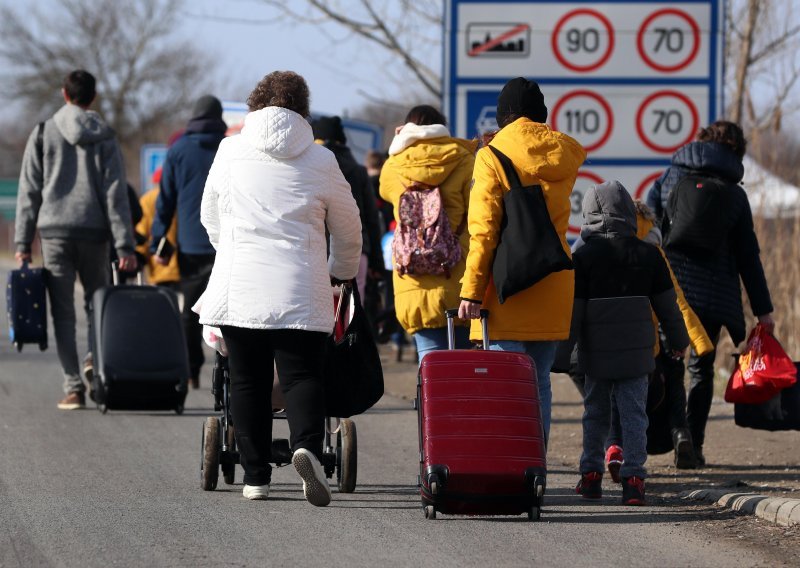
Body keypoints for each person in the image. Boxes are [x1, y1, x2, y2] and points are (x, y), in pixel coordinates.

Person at [195, 71, 362, 505]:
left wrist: (229, 248)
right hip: (300, 287)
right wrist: (340, 272)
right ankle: (306, 445)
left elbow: (209, 213)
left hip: (241, 288)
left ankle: (255, 478)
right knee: (303, 374)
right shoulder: (321, 160)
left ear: (255, 104)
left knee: (247, 381)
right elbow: (348, 228)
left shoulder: (230, 150)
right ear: (303, 110)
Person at [457, 77, 586, 443]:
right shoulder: (564, 154)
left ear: (503, 117)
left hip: (507, 288)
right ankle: (534, 469)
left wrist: (470, 292)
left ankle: (508, 468)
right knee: (539, 382)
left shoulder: (492, 156)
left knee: (505, 385)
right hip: (553, 278)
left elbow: (484, 232)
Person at [646, 121, 775, 466]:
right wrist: (764, 311)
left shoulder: (668, 179)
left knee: (671, 364)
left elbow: (647, 228)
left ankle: (677, 432)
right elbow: (749, 257)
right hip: (713, 297)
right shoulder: (735, 194)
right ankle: (695, 446)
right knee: (701, 369)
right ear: (736, 153)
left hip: (669, 292)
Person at [14, 69, 137, 410]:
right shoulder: (105, 136)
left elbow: (29, 191)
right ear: (92, 98)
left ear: (64, 94)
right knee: (97, 306)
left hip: (54, 235)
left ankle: (73, 388)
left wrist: (23, 243)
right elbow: (116, 195)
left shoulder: (42, 133)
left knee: (63, 314)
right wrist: (125, 244)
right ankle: (93, 363)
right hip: (95, 234)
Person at [569, 181, 689, 505]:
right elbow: (668, 307)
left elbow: (574, 312)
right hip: (637, 355)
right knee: (635, 414)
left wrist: (564, 353)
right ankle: (634, 480)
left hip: (596, 354)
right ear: (628, 213)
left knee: (595, 413)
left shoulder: (583, 257)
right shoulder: (649, 255)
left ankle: (591, 475)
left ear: (589, 213)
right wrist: (679, 341)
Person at [379, 105, 477, 361]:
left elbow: (384, 190)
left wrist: (398, 144)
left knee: (431, 368)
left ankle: (430, 402)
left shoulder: (394, 164)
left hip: (414, 278)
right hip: (457, 275)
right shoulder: (465, 159)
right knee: (464, 368)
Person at [151, 95, 227, 389]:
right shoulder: (231, 148)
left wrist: (159, 240)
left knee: (190, 312)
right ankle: (228, 371)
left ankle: (192, 369)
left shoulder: (178, 150)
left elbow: (165, 201)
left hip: (191, 245)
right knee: (230, 312)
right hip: (228, 245)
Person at [311, 116, 384, 302]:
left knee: (320, 306)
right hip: (357, 250)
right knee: (350, 309)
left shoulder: (312, 168)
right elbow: (371, 219)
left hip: (317, 250)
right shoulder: (358, 171)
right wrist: (377, 262)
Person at [135, 168, 180, 289]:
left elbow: (142, 232)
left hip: (159, 267)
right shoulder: (182, 196)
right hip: (187, 268)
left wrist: (139, 257)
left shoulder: (147, 199)